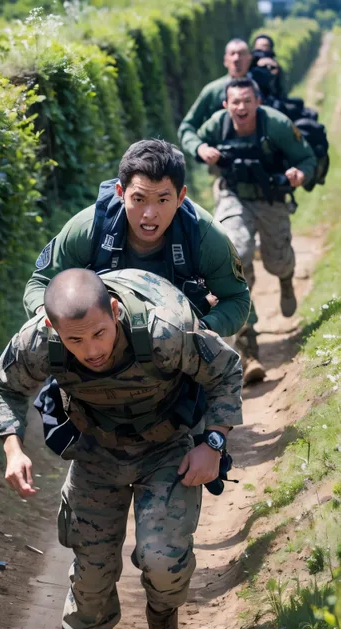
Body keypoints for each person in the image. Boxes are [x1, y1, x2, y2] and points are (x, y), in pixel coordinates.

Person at [0, 266, 243, 629]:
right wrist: (12, 448)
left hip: (166, 447)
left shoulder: (166, 328)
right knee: (90, 567)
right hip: (96, 450)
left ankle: (163, 617)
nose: (92, 350)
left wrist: (214, 442)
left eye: (100, 334)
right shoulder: (40, 340)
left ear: (116, 310)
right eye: (75, 341)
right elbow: (4, 386)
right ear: (53, 329)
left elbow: (225, 372)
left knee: (162, 557)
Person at [24, 139, 251, 345]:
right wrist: (51, 316)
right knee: (42, 339)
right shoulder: (89, 228)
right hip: (101, 343)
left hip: (183, 339)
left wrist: (204, 329)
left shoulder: (204, 235)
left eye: (163, 200)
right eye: (139, 199)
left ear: (181, 197)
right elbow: (40, 284)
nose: (150, 214)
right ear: (120, 192)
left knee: (219, 348)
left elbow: (236, 299)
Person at [191, 77, 316, 383]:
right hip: (232, 195)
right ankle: (248, 345)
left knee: (278, 259)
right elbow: (188, 134)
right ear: (226, 104)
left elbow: (307, 157)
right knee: (234, 252)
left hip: (271, 199)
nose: (241, 107)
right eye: (236, 101)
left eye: (247, 101)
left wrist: (299, 173)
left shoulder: (276, 124)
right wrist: (201, 147)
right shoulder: (217, 124)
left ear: (257, 102)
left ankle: (285, 278)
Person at [178, 38, 252, 164]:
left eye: (241, 53)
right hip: (222, 165)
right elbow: (186, 127)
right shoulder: (212, 91)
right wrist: (200, 148)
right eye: (232, 54)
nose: (236, 59)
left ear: (249, 59)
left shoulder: (261, 88)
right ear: (225, 60)